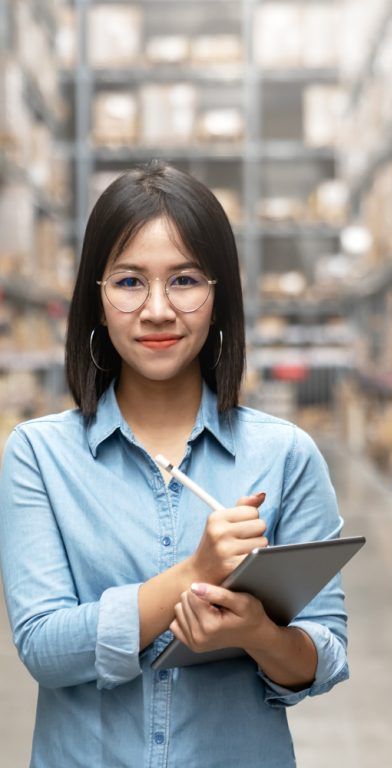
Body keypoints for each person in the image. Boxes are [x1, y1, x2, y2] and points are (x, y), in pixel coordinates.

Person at [0, 161, 349, 767]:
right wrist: (195, 573)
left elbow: (325, 656)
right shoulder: (38, 455)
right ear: (97, 299)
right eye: (129, 282)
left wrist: (255, 634)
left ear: (219, 296)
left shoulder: (285, 455)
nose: (158, 309)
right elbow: (45, 649)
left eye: (184, 280)